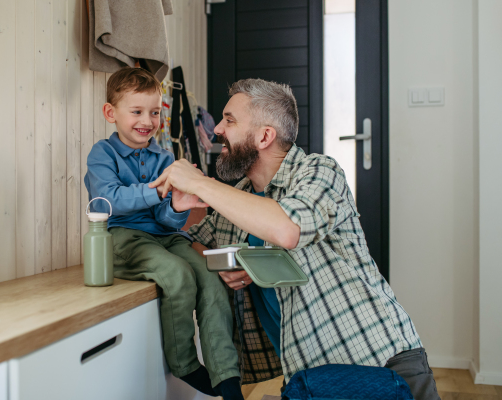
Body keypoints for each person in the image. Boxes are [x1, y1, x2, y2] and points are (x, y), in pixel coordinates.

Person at [150, 78, 441, 400]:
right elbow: (187, 239)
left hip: (377, 362)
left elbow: (288, 229)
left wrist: (200, 184)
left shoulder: (320, 172)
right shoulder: (240, 198)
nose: (217, 129)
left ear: (264, 136)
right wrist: (221, 261)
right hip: (307, 377)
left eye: (229, 120)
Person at [84, 67, 244, 399]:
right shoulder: (103, 154)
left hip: (166, 237)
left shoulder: (165, 156)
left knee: (210, 277)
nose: (147, 120)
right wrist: (157, 193)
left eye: (155, 112)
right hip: (124, 239)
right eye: (137, 111)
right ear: (110, 113)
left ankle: (227, 377)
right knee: (177, 273)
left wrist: (176, 208)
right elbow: (108, 200)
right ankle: (184, 363)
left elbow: (167, 221)